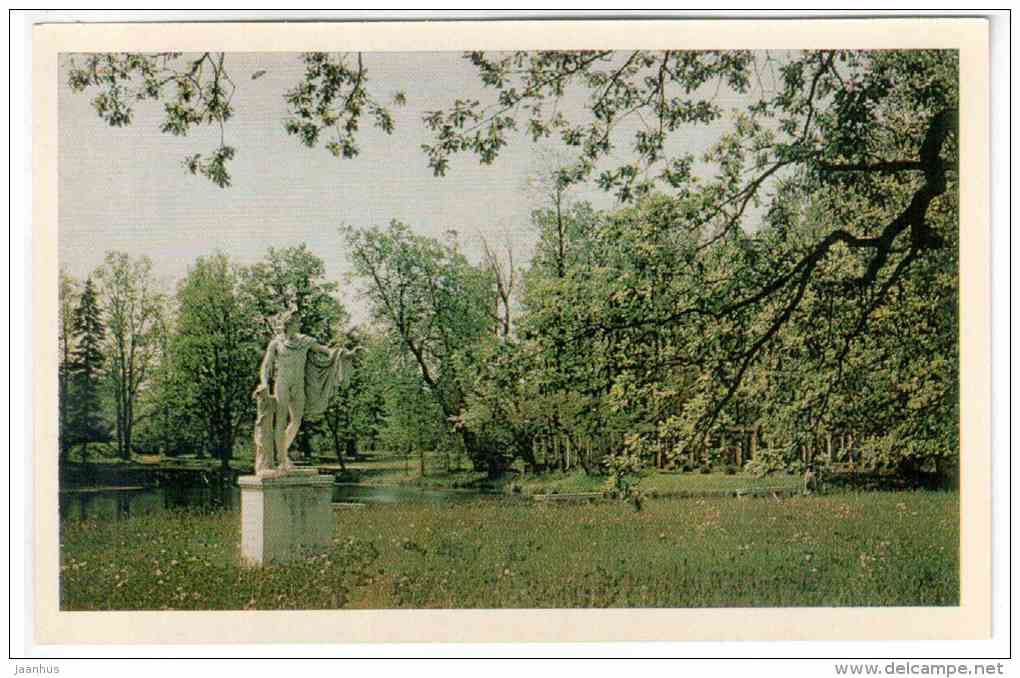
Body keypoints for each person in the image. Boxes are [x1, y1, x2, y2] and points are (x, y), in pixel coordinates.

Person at [253, 307, 356, 474]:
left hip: (298, 384)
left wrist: (345, 354)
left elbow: (326, 351)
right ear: (288, 323)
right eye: (296, 321)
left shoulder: (305, 341)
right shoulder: (276, 343)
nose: (298, 324)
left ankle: (282, 455)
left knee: (296, 421)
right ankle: (281, 460)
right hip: (282, 383)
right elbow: (266, 365)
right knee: (280, 421)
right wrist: (264, 383)